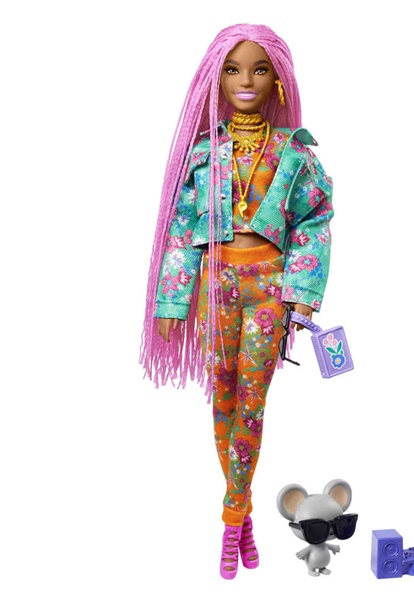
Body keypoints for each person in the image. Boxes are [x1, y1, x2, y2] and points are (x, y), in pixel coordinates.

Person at [140, 23, 334, 579]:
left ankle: (230, 519)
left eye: (258, 69)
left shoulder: (294, 153)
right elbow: (181, 230)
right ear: (216, 80)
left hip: (269, 289)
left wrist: (302, 296)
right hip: (216, 287)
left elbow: (314, 221)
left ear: (278, 80)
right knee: (221, 398)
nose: (245, 80)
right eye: (232, 69)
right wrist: (171, 303)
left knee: (251, 401)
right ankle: (243, 514)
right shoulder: (205, 153)